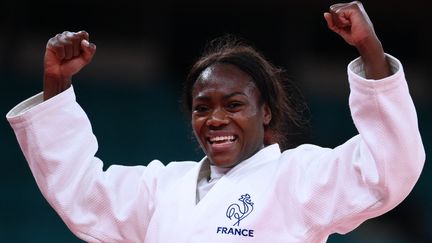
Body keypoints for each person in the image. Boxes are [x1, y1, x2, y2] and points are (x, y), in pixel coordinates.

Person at [6, 1, 425, 242]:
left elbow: (387, 169)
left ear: (266, 112)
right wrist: (57, 81)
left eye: (234, 104)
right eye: (202, 107)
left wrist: (370, 48)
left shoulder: (297, 177)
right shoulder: (161, 186)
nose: (216, 118)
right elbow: (81, 195)